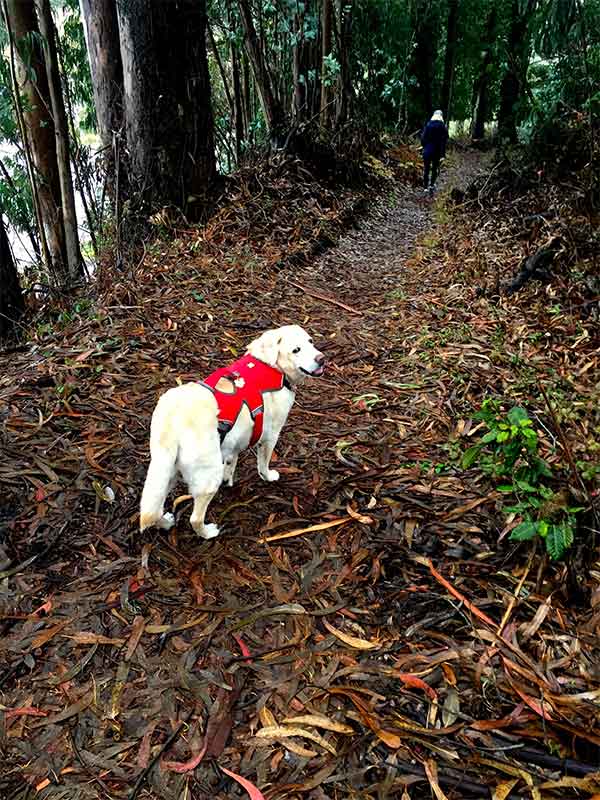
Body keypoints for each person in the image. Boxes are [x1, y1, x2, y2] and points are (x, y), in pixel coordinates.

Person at [421, 109, 448, 194]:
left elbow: (423, 138)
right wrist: (443, 155)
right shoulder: (443, 126)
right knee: (434, 169)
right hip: (437, 152)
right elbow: (444, 141)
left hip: (427, 151)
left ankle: (425, 187)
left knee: (426, 168)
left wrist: (424, 147)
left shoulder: (428, 125)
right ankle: (431, 185)